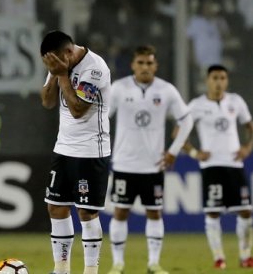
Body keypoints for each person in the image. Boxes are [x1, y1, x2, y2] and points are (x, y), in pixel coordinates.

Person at [107, 45, 193, 274]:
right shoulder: (118, 88)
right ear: (133, 65)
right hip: (124, 163)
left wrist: (174, 150)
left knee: (154, 212)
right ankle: (118, 263)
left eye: (149, 63)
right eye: (141, 63)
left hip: (153, 165)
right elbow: (102, 119)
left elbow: (187, 121)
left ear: (155, 65)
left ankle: (153, 263)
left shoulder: (166, 91)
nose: (145, 67)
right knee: (120, 212)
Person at [40, 30, 111, 274]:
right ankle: (61, 270)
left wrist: (61, 75)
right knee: (56, 207)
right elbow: (48, 102)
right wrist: (53, 73)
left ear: (69, 52)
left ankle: (90, 271)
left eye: (57, 62)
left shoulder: (95, 68)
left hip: (92, 150)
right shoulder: (57, 63)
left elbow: (78, 109)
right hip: (63, 147)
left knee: (86, 212)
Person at [181, 64, 253, 270]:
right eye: (215, 78)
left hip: (234, 164)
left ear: (227, 80)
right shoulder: (196, 105)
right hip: (211, 166)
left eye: (222, 78)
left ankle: (245, 255)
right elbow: (179, 133)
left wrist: (247, 148)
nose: (219, 82)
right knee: (213, 212)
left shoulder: (236, 101)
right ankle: (219, 257)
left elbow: (250, 126)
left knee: (246, 211)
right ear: (207, 80)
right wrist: (195, 153)